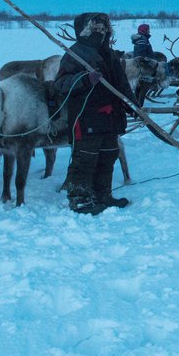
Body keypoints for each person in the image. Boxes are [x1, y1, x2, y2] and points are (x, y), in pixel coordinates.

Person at [52, 12, 135, 215]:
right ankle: (80, 199)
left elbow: (121, 82)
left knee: (108, 156)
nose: (101, 30)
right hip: (86, 116)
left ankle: (102, 195)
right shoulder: (75, 54)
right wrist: (84, 79)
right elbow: (61, 84)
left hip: (110, 117)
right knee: (85, 159)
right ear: (85, 29)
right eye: (96, 26)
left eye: (103, 26)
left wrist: (131, 103)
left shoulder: (110, 54)